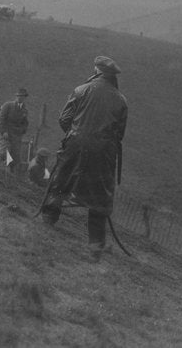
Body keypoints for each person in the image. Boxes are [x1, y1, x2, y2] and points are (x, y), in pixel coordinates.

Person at [41, 56, 128, 261]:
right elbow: (119, 134)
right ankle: (95, 247)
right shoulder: (122, 100)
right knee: (100, 197)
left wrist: (76, 135)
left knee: (61, 180)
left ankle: (48, 221)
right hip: (104, 152)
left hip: (77, 144)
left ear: (97, 71)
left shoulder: (81, 90)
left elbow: (64, 119)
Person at [0, 87, 29, 172]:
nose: (20, 98)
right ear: (16, 96)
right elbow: (1, 119)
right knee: (3, 151)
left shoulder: (24, 110)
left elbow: (25, 123)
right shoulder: (8, 105)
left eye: (22, 96)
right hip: (6, 133)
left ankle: (11, 173)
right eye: (19, 96)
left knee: (15, 156)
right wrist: (3, 132)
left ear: (25, 98)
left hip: (16, 135)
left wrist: (22, 130)